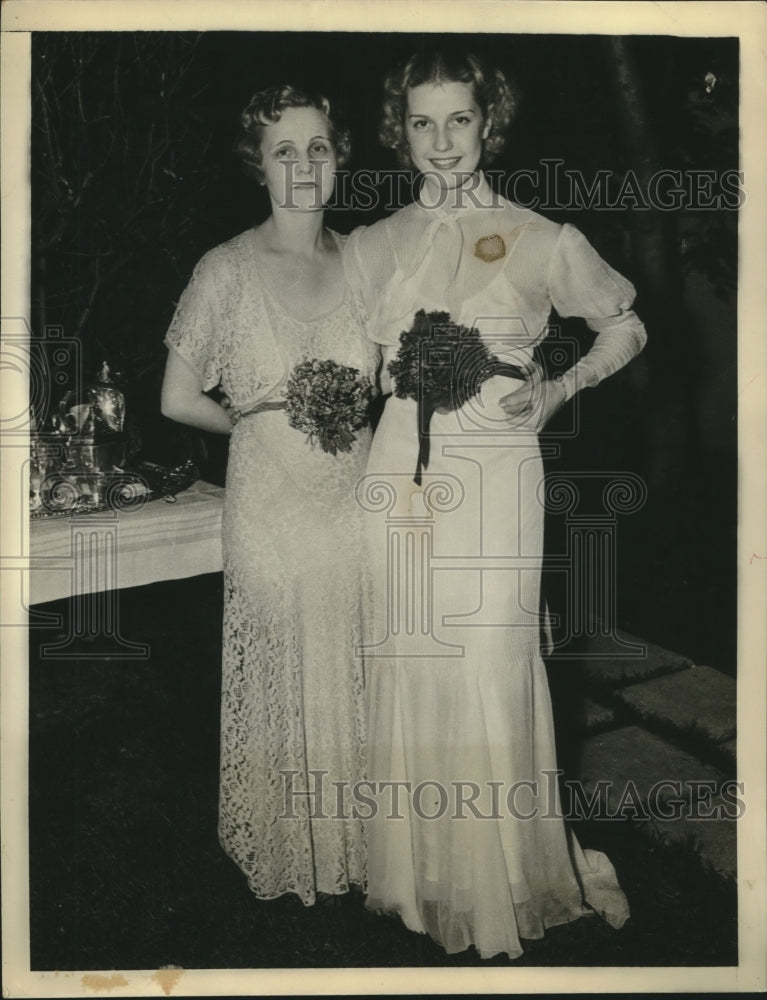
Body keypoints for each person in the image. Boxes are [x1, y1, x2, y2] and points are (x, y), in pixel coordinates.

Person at [343, 49, 646, 959]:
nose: (442, 143)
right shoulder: (366, 245)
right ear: (400, 131)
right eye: (422, 123)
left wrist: (558, 390)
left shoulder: (543, 237)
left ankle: (504, 874)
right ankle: (418, 874)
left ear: (490, 123)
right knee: (407, 657)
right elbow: (358, 377)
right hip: (397, 464)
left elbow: (624, 326)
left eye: (460, 121)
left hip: (497, 460)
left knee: (486, 660)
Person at [161, 85, 378, 904]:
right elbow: (176, 397)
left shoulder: (364, 262)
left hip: (353, 497)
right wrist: (255, 414)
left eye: (317, 147)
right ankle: (290, 848)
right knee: (286, 663)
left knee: (354, 655)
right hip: (269, 504)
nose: (302, 165)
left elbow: (393, 378)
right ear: (256, 163)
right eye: (283, 150)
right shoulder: (223, 270)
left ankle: (359, 844)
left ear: (339, 158)